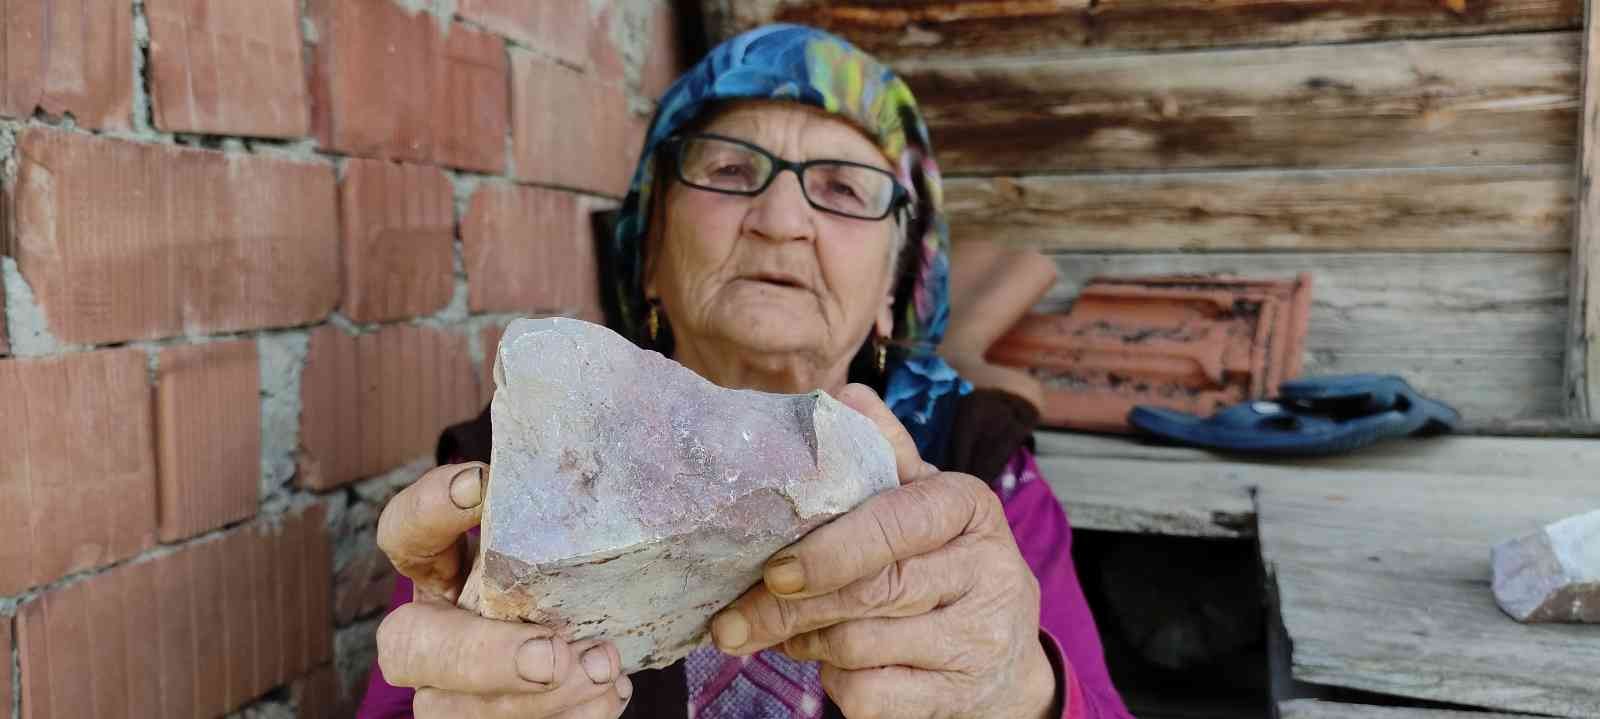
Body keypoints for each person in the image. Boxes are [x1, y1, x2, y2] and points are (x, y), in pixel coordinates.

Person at [357, 24, 1132, 719]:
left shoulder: (979, 470)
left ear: (897, 291)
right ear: (650, 252)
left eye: (841, 188)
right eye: (730, 170)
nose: (782, 219)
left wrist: (1024, 690)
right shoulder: (516, 468)